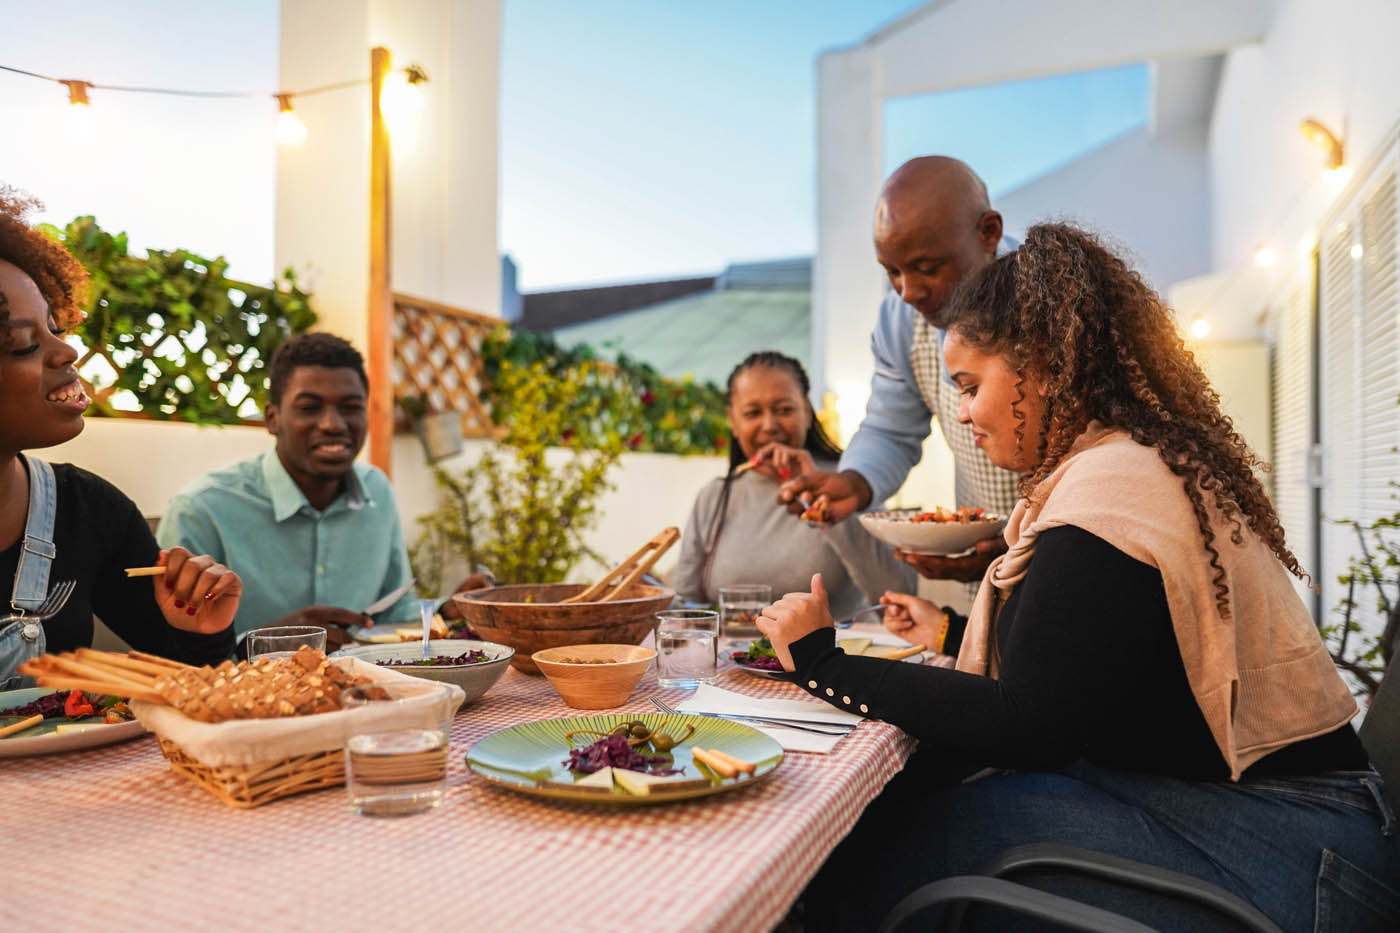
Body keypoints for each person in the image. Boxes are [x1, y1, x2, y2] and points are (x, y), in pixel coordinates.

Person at [758, 223, 1398, 931]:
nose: (962, 412)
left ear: (1044, 365)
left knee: (873, 847)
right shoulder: (1126, 463)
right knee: (917, 801)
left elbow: (1028, 723)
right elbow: (1090, 668)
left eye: (970, 385)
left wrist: (823, 661)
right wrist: (951, 628)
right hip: (1310, 832)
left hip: (1296, 856)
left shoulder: (1114, 484)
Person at [0, 188, 241, 686]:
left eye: (53, 326)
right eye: (24, 344)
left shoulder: (90, 512)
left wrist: (200, 633)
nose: (66, 350)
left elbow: (200, 694)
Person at [778, 156, 1021, 591]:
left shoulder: (1053, 302)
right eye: (892, 271)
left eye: (928, 268)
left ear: (989, 233)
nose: (908, 291)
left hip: (1074, 548)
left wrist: (1024, 542)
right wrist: (853, 482)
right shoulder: (899, 323)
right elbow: (890, 431)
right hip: (987, 561)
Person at [157, 332, 417, 650]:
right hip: (240, 696)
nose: (334, 424)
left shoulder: (377, 490)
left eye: (350, 407)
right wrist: (265, 643)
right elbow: (168, 652)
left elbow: (396, 609)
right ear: (272, 418)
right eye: (310, 408)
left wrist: (453, 607)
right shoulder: (201, 510)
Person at [672, 351, 914, 622]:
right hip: (736, 660)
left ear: (807, 412)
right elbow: (685, 606)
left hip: (837, 656)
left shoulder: (850, 483)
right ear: (733, 422)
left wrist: (824, 505)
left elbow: (899, 594)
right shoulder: (714, 497)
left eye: (784, 410)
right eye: (752, 413)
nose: (769, 426)